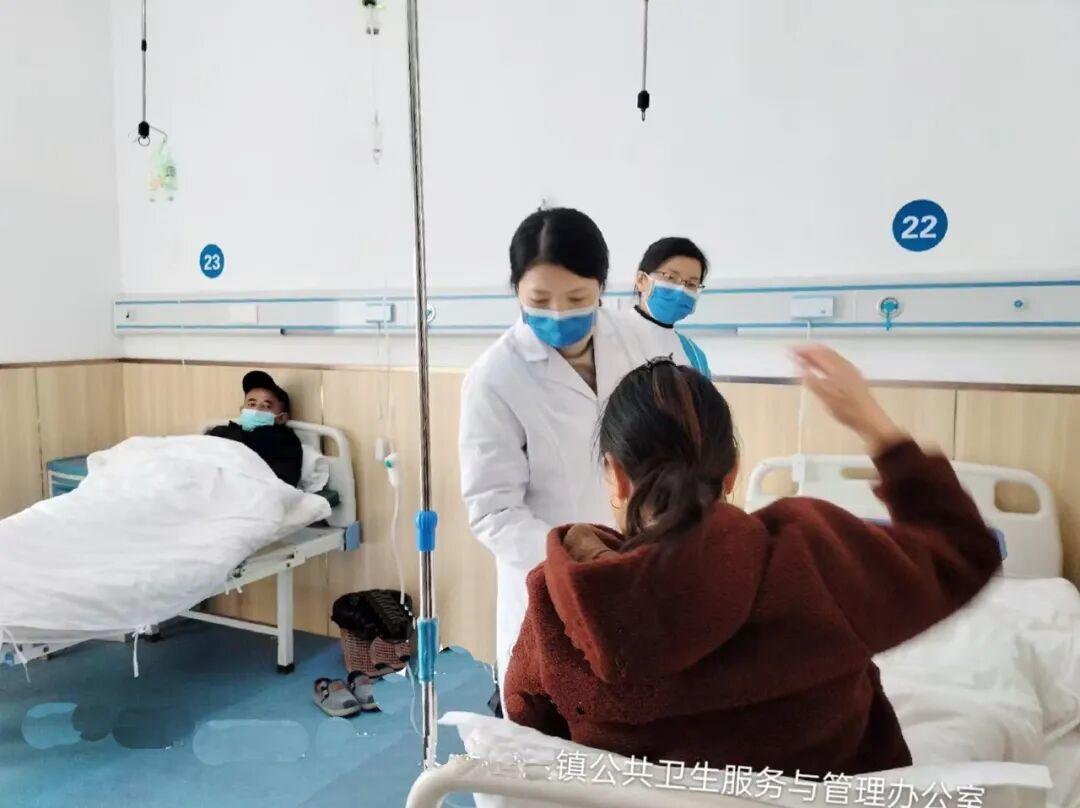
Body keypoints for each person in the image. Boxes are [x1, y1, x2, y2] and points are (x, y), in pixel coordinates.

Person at [504, 346, 1002, 775]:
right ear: (732, 473)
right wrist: (874, 425)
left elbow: (534, 737)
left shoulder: (559, 603)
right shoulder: (815, 555)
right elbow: (963, 551)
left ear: (615, 477)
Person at [459, 207, 656, 710]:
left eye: (577, 299)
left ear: (602, 288)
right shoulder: (496, 377)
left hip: (635, 560)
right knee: (553, 714)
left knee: (630, 710)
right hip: (547, 579)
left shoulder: (636, 343)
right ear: (516, 291)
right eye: (539, 300)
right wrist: (571, 557)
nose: (560, 314)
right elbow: (492, 510)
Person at [616, 236, 711, 377]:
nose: (681, 290)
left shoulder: (694, 355)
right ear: (641, 280)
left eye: (691, 284)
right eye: (670, 277)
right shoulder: (612, 337)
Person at [205, 370, 303, 487]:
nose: (256, 410)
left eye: (266, 406)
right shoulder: (220, 432)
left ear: (281, 418)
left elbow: (283, 484)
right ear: (242, 410)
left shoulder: (285, 443)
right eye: (251, 404)